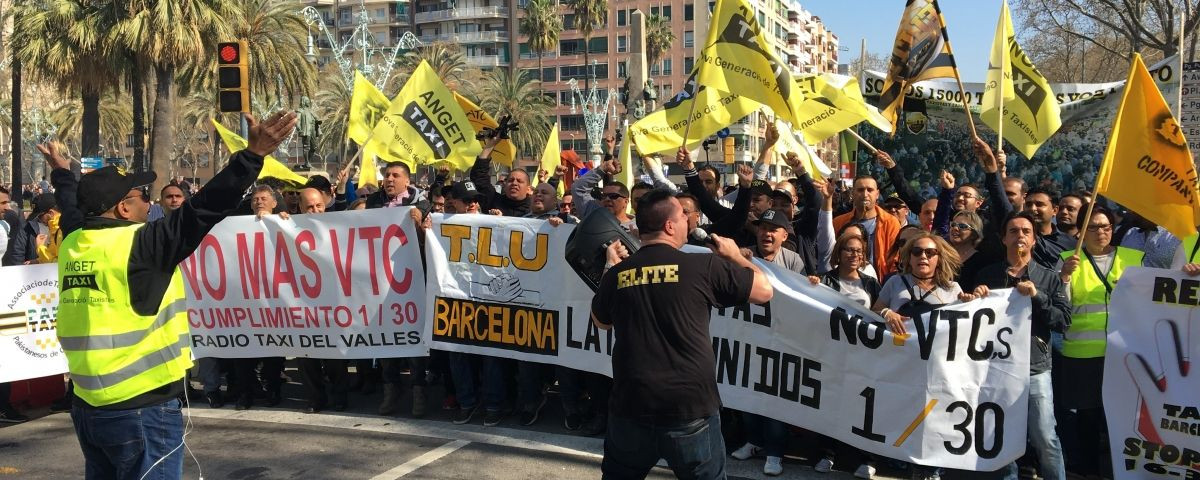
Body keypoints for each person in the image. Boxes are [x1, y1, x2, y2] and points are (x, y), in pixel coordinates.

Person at [48, 111, 296, 479]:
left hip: (88, 406)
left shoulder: (73, 241)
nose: (150, 204)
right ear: (122, 208)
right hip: (140, 408)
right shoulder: (143, 243)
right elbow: (206, 207)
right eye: (142, 196)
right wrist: (251, 155)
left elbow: (71, 207)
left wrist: (63, 174)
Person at [592, 188, 773, 479]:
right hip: (689, 409)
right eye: (683, 214)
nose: (689, 220)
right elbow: (764, 291)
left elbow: (601, 322)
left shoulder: (618, 274)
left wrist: (611, 270)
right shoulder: (703, 266)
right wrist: (736, 256)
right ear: (669, 225)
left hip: (631, 406)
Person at [971, 212, 1070, 480]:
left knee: (1045, 437)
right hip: (997, 369)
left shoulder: (1049, 278)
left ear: (1035, 240)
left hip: (1035, 369)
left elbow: (1063, 321)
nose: (1020, 236)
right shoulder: (987, 275)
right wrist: (975, 298)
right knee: (1003, 438)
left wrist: (1038, 297)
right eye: (1013, 231)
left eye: (1026, 231)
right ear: (1003, 239)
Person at [872, 232, 970, 480]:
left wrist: (973, 301)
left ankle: (930, 470)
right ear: (909, 256)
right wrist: (886, 312)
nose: (923, 256)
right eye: (917, 252)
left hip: (936, 369)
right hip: (901, 366)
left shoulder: (953, 289)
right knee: (905, 415)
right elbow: (874, 309)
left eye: (930, 252)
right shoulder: (894, 283)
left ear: (939, 257)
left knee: (934, 418)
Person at [1055, 206, 1142, 478]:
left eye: (1105, 226)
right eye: (1093, 227)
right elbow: (1060, 307)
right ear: (1081, 231)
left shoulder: (1133, 258)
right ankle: (1091, 472)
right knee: (1088, 419)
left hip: (1124, 355)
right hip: (1082, 355)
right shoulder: (1068, 259)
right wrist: (1065, 277)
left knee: (1122, 419)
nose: (1101, 232)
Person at [833, 175, 902, 278]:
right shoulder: (839, 222)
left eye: (870, 190)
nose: (865, 194)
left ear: (877, 194)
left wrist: (888, 285)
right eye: (860, 190)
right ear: (853, 193)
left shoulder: (891, 223)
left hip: (880, 284)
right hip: (844, 282)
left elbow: (895, 259)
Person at [3, 192, 57, 265]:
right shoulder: (27, 227)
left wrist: (38, 258)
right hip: (34, 272)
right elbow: (17, 253)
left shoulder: (63, 228)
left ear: (50, 213)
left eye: (40, 215)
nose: (39, 218)